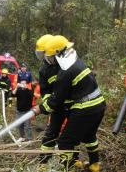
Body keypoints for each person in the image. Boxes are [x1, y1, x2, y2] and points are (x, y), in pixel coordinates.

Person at [33, 35, 106, 172]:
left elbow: (60, 94)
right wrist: (48, 104)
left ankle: (70, 166)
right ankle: (44, 163)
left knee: (66, 140)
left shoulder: (65, 69)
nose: (47, 59)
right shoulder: (71, 62)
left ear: (57, 53)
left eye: (49, 56)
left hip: (78, 107)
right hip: (83, 106)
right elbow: (48, 92)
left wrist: (42, 108)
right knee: (59, 134)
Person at [35, 34, 70, 165]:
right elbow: (45, 90)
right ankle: (43, 163)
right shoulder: (44, 70)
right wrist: (48, 103)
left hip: (73, 106)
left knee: (69, 136)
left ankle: (69, 162)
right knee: (50, 135)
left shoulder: (65, 64)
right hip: (56, 107)